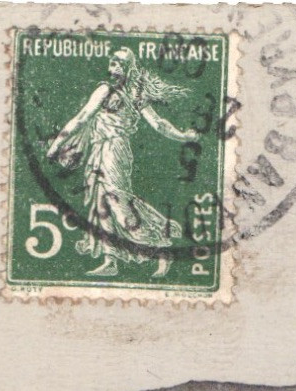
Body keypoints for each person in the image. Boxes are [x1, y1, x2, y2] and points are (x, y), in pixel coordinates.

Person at [44, 48, 200, 277]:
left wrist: (55, 146)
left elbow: (158, 124)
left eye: (119, 62)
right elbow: (84, 117)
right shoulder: (114, 91)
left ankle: (160, 248)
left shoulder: (126, 93)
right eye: (113, 61)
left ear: (127, 67)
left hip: (114, 151)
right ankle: (111, 260)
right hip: (101, 150)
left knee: (117, 203)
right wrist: (183, 136)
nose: (114, 65)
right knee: (101, 206)